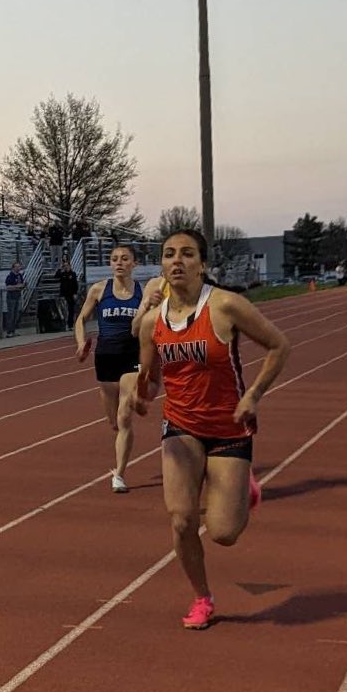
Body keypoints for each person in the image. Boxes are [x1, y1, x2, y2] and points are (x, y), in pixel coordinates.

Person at [134, 228, 289, 630]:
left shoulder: (225, 306)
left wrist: (253, 395)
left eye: (187, 254)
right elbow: (151, 380)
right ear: (162, 265)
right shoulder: (152, 322)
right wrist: (142, 397)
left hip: (228, 428)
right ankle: (203, 597)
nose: (177, 261)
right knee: (183, 520)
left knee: (223, 533)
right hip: (181, 427)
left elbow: (279, 346)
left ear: (202, 264)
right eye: (169, 254)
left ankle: (245, 487)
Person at [74, 244, 143, 493]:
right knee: (114, 422)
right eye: (114, 259)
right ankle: (118, 432)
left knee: (125, 417)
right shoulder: (99, 290)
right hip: (105, 357)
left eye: (125, 259)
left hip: (133, 356)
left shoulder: (142, 293)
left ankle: (119, 474)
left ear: (134, 263)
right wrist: (81, 343)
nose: (119, 263)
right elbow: (81, 319)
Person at [56, 258, 80, 329]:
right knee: (64, 310)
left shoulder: (73, 274)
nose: (66, 267)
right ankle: (64, 324)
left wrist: (75, 293)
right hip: (64, 294)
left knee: (71, 309)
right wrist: (60, 269)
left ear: (70, 266)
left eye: (67, 266)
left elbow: (75, 284)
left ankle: (70, 325)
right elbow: (56, 276)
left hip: (71, 294)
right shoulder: (62, 273)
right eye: (65, 266)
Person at [5, 261, 25, 336]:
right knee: (11, 314)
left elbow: (22, 284)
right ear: (13, 268)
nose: (19, 268)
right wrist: (17, 286)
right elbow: (8, 287)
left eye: (19, 266)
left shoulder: (19, 275)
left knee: (16, 315)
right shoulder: (10, 276)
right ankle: (9, 331)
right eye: (17, 267)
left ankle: (13, 330)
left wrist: (22, 286)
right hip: (11, 297)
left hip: (17, 296)